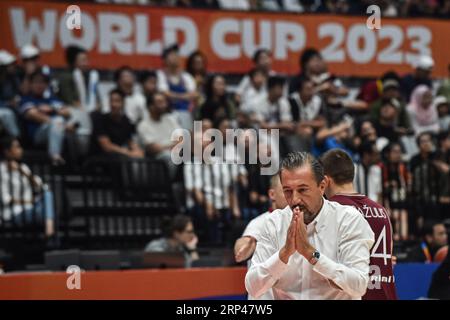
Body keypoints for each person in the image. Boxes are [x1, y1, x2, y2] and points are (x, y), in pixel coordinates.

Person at [245, 151, 374, 300]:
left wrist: (311, 254)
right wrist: (284, 254)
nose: (295, 200)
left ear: (322, 186)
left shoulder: (348, 220)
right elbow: (253, 288)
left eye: (302, 190)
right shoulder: (273, 223)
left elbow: (358, 286)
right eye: (287, 191)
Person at [320, 148, 398, 300]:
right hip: (387, 294)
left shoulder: (333, 210)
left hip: (359, 294)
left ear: (326, 181)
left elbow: (329, 268)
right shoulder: (381, 210)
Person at [0, 136, 54, 236]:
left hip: (31, 208)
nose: (21, 150)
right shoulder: (1, 170)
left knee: (48, 194)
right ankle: (50, 234)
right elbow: (5, 199)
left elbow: (40, 185)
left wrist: (22, 172)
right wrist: (28, 201)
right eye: (17, 147)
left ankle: (49, 228)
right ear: (7, 151)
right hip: (15, 212)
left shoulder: (23, 167)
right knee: (48, 213)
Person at [19, 70, 75, 165]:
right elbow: (32, 114)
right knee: (58, 120)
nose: (39, 85)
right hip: (38, 135)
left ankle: (76, 164)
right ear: (31, 84)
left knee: (74, 128)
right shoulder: (26, 99)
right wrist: (60, 125)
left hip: (58, 130)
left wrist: (52, 109)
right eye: (36, 82)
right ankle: (55, 156)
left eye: (43, 82)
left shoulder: (52, 100)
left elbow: (67, 112)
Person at [234, 174, 288, 264]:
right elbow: (243, 244)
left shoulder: (300, 219)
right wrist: (243, 248)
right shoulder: (259, 222)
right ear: (272, 194)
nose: (293, 196)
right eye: (286, 191)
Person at [90, 88, 144, 159]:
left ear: (123, 103)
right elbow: (107, 146)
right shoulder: (100, 118)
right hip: (99, 158)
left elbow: (129, 141)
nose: (113, 104)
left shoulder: (126, 120)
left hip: (118, 157)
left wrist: (137, 150)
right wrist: (128, 153)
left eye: (117, 101)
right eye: (111, 101)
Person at [137, 92, 180, 179]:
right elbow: (154, 149)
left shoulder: (170, 119)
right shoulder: (143, 125)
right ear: (151, 107)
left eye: (165, 102)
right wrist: (173, 146)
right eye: (160, 102)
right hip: (155, 160)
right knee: (168, 155)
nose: (165, 105)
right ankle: (169, 186)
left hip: (177, 152)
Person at [157, 44, 197, 130]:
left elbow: (193, 95)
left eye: (176, 54)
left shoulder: (186, 77)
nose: (175, 57)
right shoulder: (160, 75)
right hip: (167, 113)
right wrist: (184, 96)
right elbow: (164, 94)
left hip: (185, 113)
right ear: (164, 60)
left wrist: (173, 96)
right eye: (172, 55)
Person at [0, 50, 20, 137]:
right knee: (7, 114)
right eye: (10, 65)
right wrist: (8, 103)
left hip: (14, 108)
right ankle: (16, 139)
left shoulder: (13, 78)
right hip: (4, 110)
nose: (14, 66)